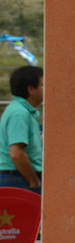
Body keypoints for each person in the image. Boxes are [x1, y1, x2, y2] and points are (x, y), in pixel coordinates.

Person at [0, 65, 43, 193]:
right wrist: (33, 181)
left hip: (20, 176)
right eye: (42, 85)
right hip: (18, 178)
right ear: (31, 89)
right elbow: (16, 153)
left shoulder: (25, 111)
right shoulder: (19, 113)